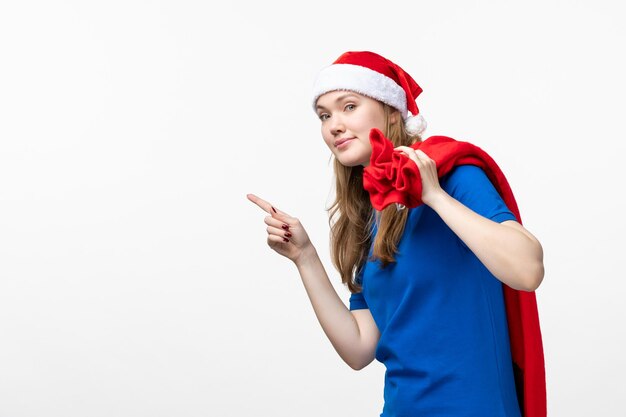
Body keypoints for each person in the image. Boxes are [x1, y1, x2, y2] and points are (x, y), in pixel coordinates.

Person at [247, 51, 545, 417]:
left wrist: (433, 195)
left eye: (349, 106)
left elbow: (528, 269)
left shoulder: (453, 175)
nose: (334, 125)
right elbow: (359, 348)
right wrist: (304, 257)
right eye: (325, 115)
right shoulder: (365, 217)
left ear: (391, 111)